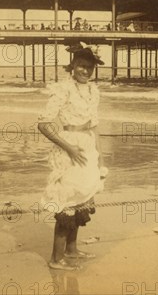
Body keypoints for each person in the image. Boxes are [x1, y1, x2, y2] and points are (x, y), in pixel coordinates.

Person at [37, 42, 107, 271]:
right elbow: (44, 125)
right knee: (67, 200)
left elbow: (94, 125)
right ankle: (56, 259)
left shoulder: (93, 91)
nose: (86, 71)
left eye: (90, 67)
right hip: (70, 148)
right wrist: (68, 148)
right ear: (73, 66)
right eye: (81, 66)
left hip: (88, 147)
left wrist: (100, 157)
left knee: (81, 198)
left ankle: (72, 250)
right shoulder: (62, 89)